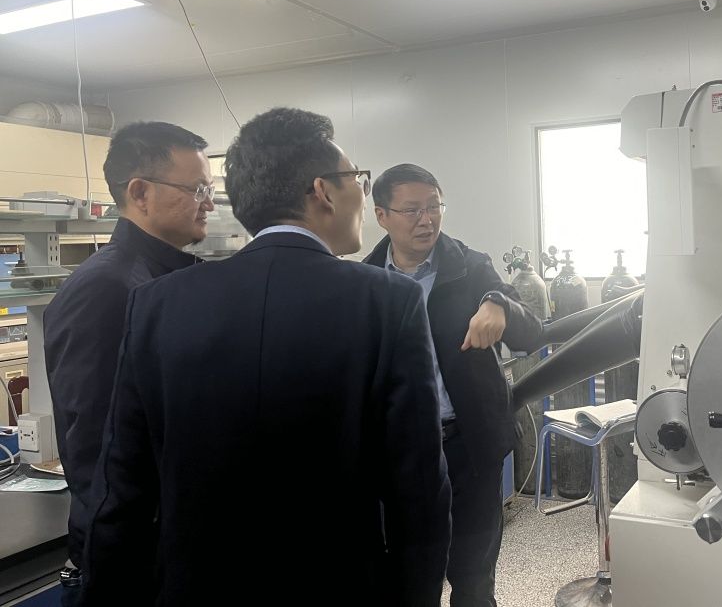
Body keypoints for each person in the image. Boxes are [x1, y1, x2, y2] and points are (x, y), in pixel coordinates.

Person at [82, 108, 451, 606]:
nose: (363, 196)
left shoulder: (158, 304)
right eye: (357, 180)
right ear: (323, 191)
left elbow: (122, 485)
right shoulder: (388, 302)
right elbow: (419, 488)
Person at [44, 121, 213, 604]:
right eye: (197, 190)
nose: (208, 204)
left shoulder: (167, 279)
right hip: (134, 555)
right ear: (140, 192)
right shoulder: (109, 289)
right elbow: (96, 444)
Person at [363, 164, 544, 607]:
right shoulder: (367, 281)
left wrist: (499, 305)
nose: (426, 220)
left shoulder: (470, 266)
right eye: (412, 210)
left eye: (434, 207)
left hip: (468, 445)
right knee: (410, 575)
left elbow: (532, 332)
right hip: (401, 453)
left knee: (473, 579)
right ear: (382, 215)